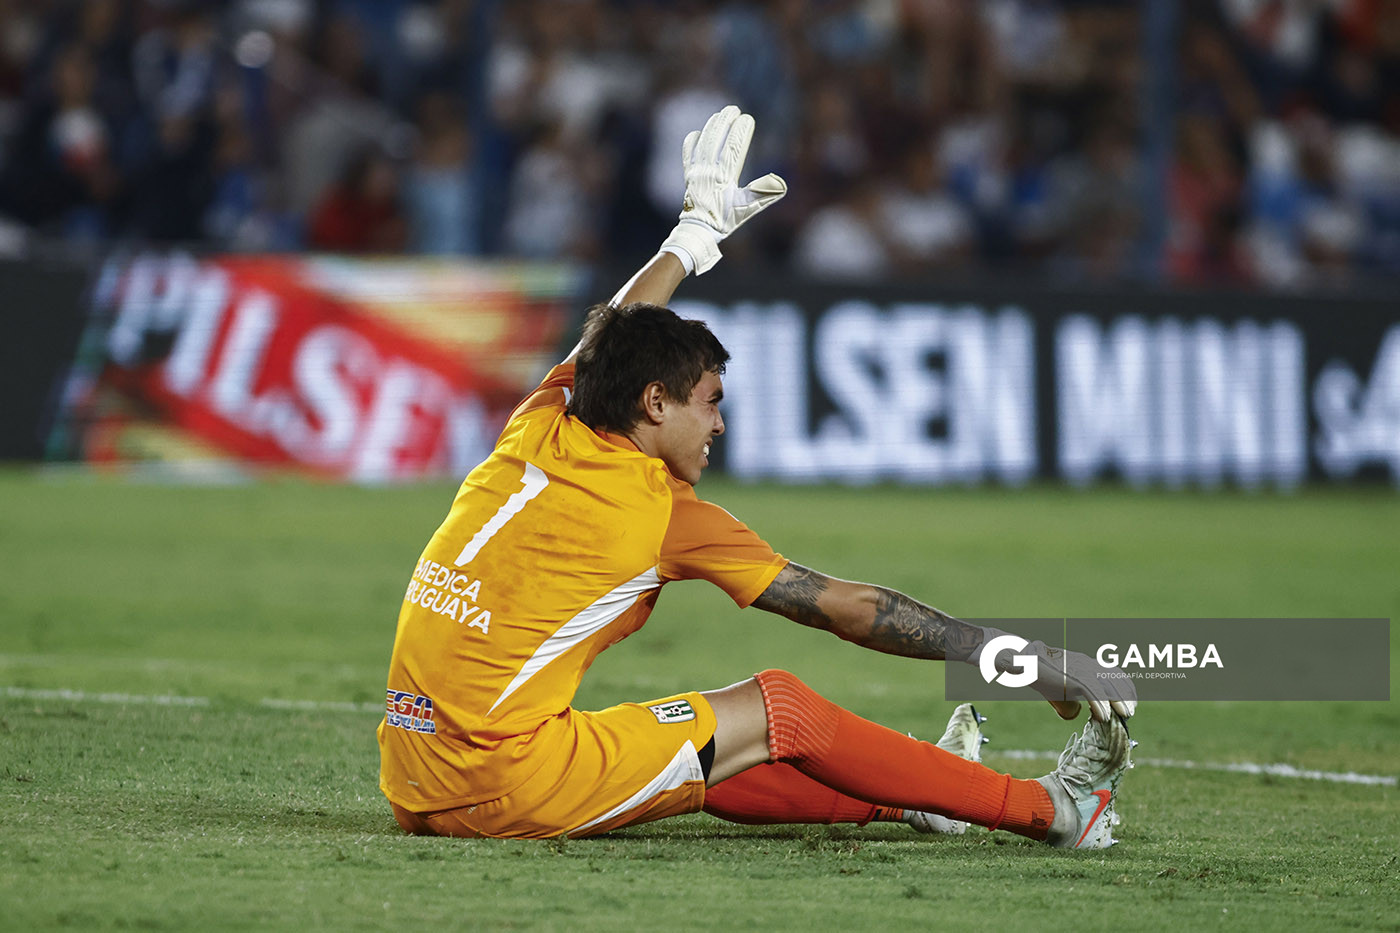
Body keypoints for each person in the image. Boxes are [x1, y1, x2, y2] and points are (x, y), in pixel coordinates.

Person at [377, 106, 1136, 847]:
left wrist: (692, 237)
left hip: (415, 774)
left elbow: (612, 330)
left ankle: (916, 805)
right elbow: (850, 607)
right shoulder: (661, 513)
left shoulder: (542, 423)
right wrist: (1018, 657)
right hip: (498, 779)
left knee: (709, 741)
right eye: (709, 404)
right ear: (654, 401)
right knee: (779, 706)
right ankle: (1053, 809)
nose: (719, 426)